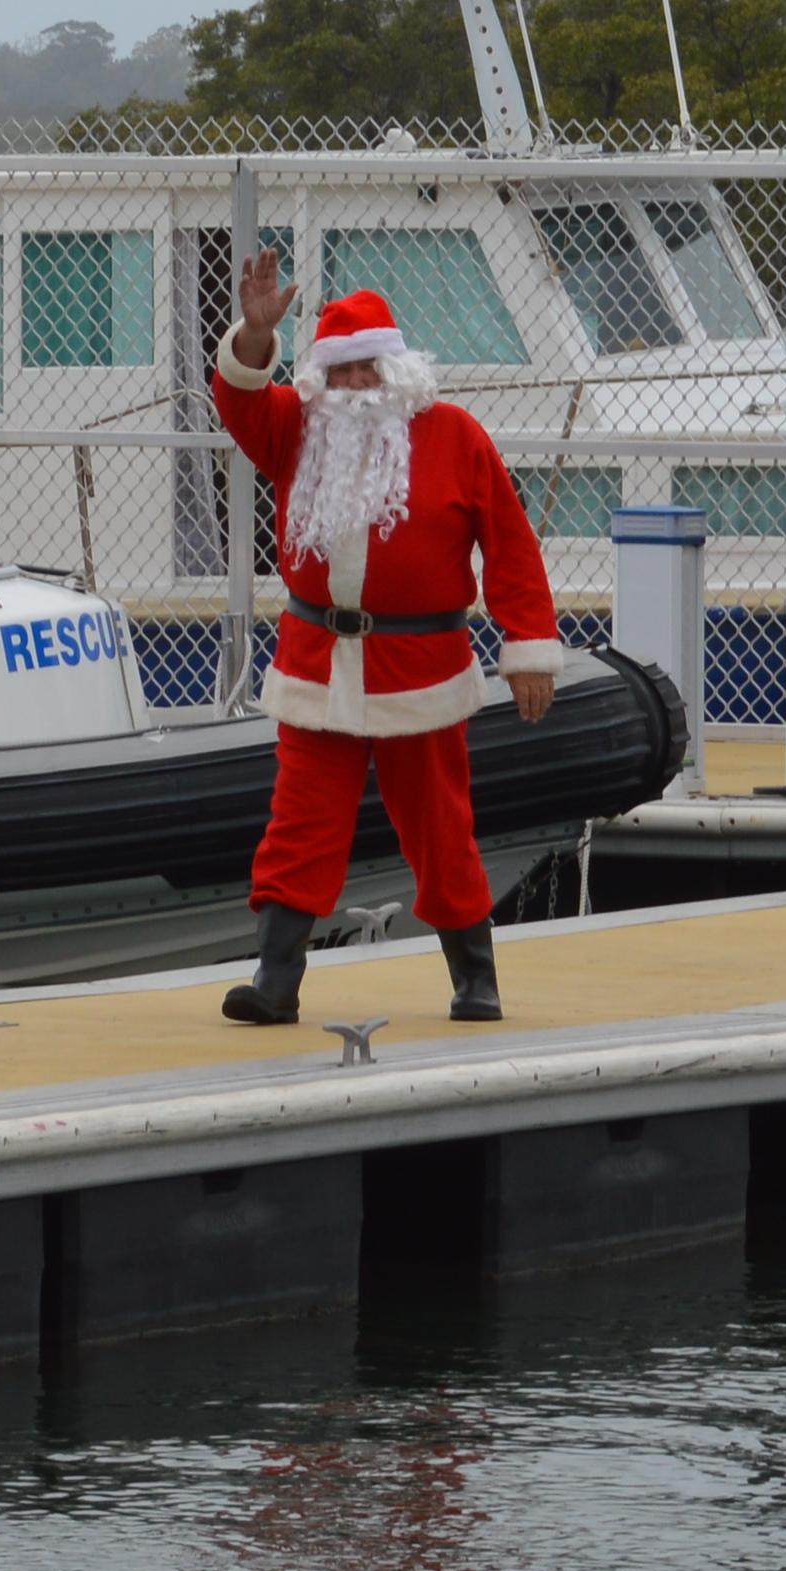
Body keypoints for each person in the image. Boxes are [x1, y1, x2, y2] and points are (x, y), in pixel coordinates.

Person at [205, 246, 566, 1027]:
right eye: (340, 372)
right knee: (300, 825)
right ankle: (276, 980)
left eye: (368, 368)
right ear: (320, 379)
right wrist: (258, 338)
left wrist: (529, 641)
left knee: (441, 828)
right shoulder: (295, 430)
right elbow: (238, 402)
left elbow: (509, 542)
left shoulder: (455, 435)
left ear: (395, 369)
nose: (356, 386)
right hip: (318, 667)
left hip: (421, 668)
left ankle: (475, 977)